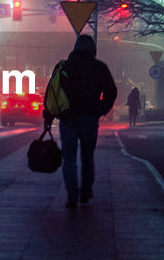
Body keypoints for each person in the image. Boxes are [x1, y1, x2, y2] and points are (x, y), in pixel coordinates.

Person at [43, 34, 117, 208]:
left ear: (75, 48)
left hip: (68, 119)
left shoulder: (65, 67)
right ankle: (85, 191)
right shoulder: (100, 68)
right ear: (93, 49)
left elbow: (53, 93)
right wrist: (101, 110)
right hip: (90, 118)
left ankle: (71, 194)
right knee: (87, 156)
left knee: (69, 157)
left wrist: (49, 115)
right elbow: (111, 91)